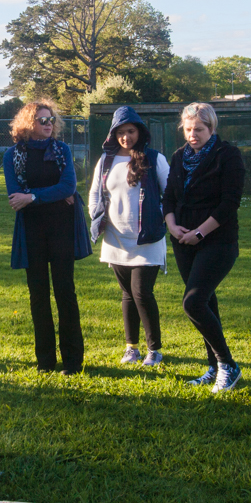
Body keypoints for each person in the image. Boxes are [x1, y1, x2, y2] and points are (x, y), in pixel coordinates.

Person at [161, 102, 247, 390]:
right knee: (207, 302)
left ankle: (228, 365)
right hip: (183, 240)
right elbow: (169, 198)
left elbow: (229, 204)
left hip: (217, 241)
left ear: (212, 128)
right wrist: (172, 227)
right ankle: (213, 368)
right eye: (188, 129)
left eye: (199, 129)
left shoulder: (228, 155)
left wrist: (199, 233)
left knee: (193, 302)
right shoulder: (178, 156)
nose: (192, 135)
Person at [5, 102, 88, 374]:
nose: (48, 123)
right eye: (41, 120)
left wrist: (33, 196)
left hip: (62, 229)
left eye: (51, 119)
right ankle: (45, 361)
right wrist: (50, 196)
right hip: (32, 231)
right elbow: (15, 196)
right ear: (28, 124)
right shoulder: (13, 155)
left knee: (66, 292)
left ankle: (73, 361)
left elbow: (69, 186)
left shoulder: (61, 150)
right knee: (38, 295)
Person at [88, 106, 171, 366]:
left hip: (147, 239)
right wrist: (96, 216)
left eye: (131, 131)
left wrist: (157, 216)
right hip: (116, 239)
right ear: (113, 134)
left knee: (142, 293)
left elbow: (170, 194)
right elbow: (95, 193)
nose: (126, 137)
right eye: (121, 132)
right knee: (127, 295)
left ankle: (154, 350)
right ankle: (131, 348)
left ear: (140, 131)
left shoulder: (154, 158)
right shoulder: (106, 160)